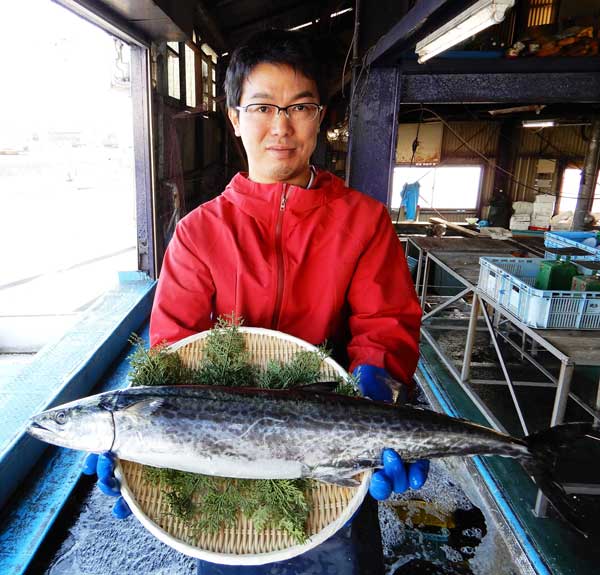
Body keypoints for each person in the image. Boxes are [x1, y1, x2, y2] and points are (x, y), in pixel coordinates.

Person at [85, 29, 428, 574]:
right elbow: (173, 352)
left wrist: (380, 389)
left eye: (300, 107)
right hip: (224, 469)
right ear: (234, 117)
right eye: (263, 106)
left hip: (329, 448)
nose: (281, 126)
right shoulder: (199, 232)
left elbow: (385, 323)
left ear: (320, 116)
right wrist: (138, 436)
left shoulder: (363, 220)